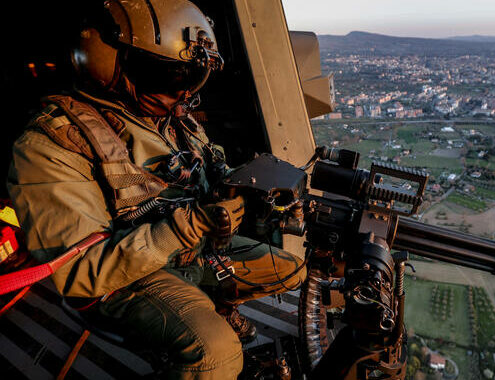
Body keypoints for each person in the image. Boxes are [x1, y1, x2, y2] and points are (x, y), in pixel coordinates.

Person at [6, 0, 305, 378]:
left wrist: (250, 186)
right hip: (122, 280)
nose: (183, 92)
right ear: (111, 64)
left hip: (188, 253)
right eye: (171, 76)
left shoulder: (169, 120)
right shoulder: (49, 144)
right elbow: (81, 274)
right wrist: (187, 227)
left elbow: (208, 173)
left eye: (192, 77)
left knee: (289, 271)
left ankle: (211, 305)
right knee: (217, 353)